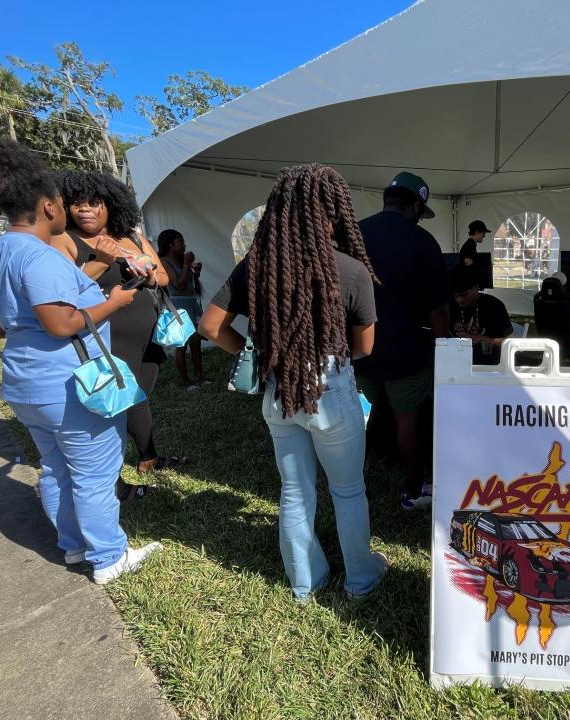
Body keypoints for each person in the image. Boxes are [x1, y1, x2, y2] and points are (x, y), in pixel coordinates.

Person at [0, 140, 161, 584]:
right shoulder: (39, 257)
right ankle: (110, 556)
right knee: (96, 472)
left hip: (25, 384)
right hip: (69, 386)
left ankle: (73, 546)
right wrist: (112, 303)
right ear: (48, 205)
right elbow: (61, 323)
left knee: (56, 467)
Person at [199, 164, 387, 602]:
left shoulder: (256, 267)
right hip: (331, 388)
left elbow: (210, 326)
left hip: (278, 391)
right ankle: (361, 577)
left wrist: (258, 354)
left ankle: (304, 582)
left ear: (276, 211)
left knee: (294, 490)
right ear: (334, 214)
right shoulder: (352, 270)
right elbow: (365, 347)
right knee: (348, 490)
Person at [50, 172, 183, 492]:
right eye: (77, 203)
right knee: (112, 404)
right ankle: (113, 478)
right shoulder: (65, 240)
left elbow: (163, 277)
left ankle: (148, 458)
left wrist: (148, 275)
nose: (85, 209)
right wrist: (102, 259)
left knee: (139, 396)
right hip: (104, 338)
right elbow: (65, 290)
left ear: (111, 205)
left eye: (94, 203)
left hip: (147, 335)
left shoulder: (133, 236)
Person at [354, 171, 449, 510]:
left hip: (357, 348)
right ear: (416, 206)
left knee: (359, 416)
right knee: (406, 419)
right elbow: (437, 309)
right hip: (406, 351)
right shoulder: (422, 242)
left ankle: (351, 486)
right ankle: (412, 489)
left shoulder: (355, 235)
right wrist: (447, 348)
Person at [156, 229, 206, 393]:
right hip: (179, 306)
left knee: (196, 342)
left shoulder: (180, 261)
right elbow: (179, 285)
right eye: (180, 242)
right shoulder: (164, 262)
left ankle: (200, 377)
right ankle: (186, 381)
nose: (184, 245)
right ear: (171, 245)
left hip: (192, 303)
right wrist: (185, 265)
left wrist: (195, 273)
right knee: (182, 345)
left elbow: (190, 285)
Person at [450, 264, 513, 365]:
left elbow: (511, 341)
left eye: (465, 294)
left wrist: (482, 339)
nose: (460, 300)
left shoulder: (493, 305)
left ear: (476, 287)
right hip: (458, 361)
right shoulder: (450, 305)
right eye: (456, 296)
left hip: (489, 364)